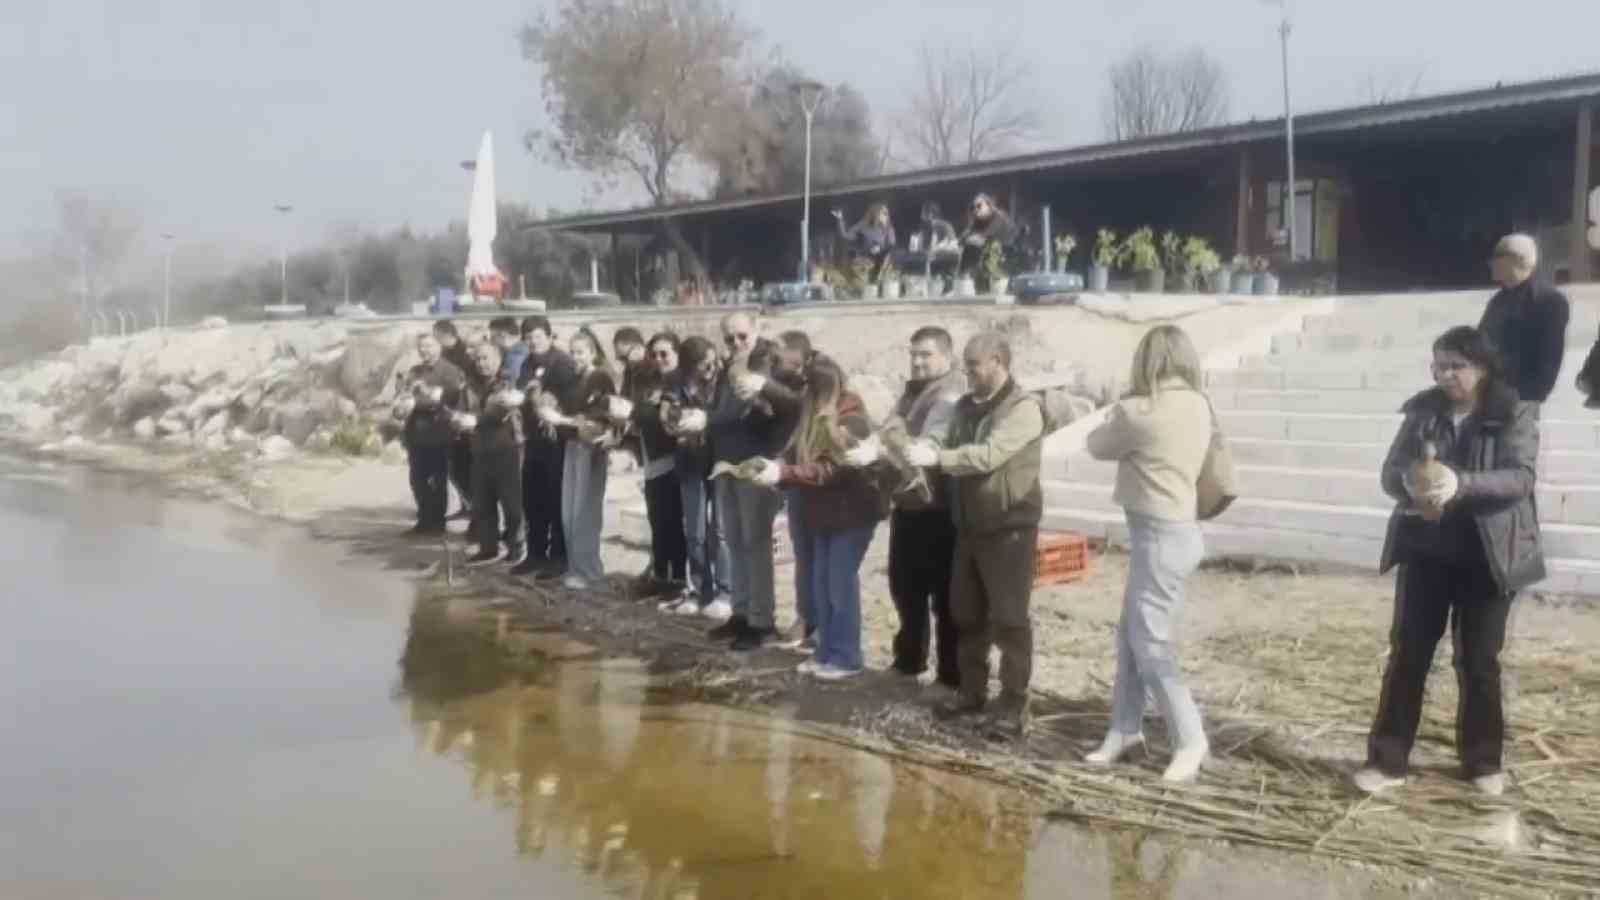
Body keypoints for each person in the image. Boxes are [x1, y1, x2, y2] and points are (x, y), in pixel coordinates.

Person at [1355, 326, 1545, 797]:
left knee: (1478, 660)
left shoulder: (1513, 410)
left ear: (1482, 367)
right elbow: (1390, 471)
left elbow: (1520, 478)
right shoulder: (1424, 411)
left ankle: (1483, 762)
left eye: (1456, 365)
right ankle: (1388, 759)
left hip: (1488, 557)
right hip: (1427, 553)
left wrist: (1460, 484)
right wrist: (1413, 481)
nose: (1446, 375)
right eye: (1439, 365)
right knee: (1408, 655)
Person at [1081, 325, 1214, 783]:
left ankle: (1190, 738)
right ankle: (1124, 728)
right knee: (1132, 636)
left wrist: (1119, 405)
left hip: (1158, 538)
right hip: (1178, 534)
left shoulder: (1139, 411)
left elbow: (1095, 445)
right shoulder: (1199, 403)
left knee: (1151, 644)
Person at [906, 333, 1044, 739]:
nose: (966, 374)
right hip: (969, 526)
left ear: (999, 361)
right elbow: (944, 435)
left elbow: (988, 455)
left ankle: (1014, 702)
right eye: (965, 366)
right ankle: (972, 691)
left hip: (1009, 529)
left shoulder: (1024, 409)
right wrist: (926, 445)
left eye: (974, 366)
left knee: (1010, 619)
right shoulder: (966, 406)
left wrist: (940, 458)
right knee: (966, 613)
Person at [755, 354, 885, 680]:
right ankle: (826, 650)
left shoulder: (850, 417)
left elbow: (832, 469)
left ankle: (847, 657)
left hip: (852, 513)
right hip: (823, 513)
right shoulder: (810, 413)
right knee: (821, 581)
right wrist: (774, 466)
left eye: (812, 391)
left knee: (840, 583)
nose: (807, 399)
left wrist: (784, 472)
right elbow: (795, 448)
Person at [695, 313, 792, 651]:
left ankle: (761, 621)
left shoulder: (769, 360)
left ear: (757, 330)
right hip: (727, 462)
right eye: (729, 338)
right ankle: (741, 611)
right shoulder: (729, 365)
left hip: (755, 463)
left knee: (756, 543)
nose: (736, 343)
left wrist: (705, 418)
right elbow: (724, 408)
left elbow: (781, 405)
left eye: (741, 336)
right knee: (734, 541)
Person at [885, 326, 965, 686]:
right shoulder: (910, 393)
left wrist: (907, 443)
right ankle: (909, 660)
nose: (917, 361)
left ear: (947, 358)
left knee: (944, 598)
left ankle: (950, 673)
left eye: (926, 354)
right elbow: (889, 429)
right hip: (908, 504)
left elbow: (932, 438)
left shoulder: (951, 394)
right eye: (914, 354)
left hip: (940, 509)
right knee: (905, 587)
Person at [538, 327, 619, 591]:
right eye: (572, 353)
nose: (575, 358)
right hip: (572, 445)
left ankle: (589, 569)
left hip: (590, 447)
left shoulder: (600, 379)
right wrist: (550, 408)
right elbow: (563, 405)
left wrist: (562, 420)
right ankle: (576, 566)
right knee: (569, 510)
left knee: (585, 509)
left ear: (592, 353)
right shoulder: (573, 379)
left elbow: (598, 417)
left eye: (580, 352)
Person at [661, 336, 733, 619]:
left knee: (721, 530)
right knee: (695, 531)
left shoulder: (725, 379)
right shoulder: (675, 383)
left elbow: (729, 414)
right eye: (705, 365)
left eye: (714, 362)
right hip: (690, 461)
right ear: (690, 366)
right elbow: (667, 418)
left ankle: (726, 592)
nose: (712, 368)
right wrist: (679, 420)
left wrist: (705, 418)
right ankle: (699, 589)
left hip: (720, 459)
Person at [621, 331, 688, 592]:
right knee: (658, 521)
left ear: (677, 354)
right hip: (652, 460)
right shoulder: (652, 381)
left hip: (672, 460)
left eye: (665, 354)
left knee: (670, 522)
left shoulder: (680, 382)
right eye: (654, 354)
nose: (659, 359)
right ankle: (661, 575)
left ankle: (676, 578)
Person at [514, 316, 577, 578]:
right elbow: (520, 392)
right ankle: (535, 554)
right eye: (528, 337)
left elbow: (570, 398)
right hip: (534, 440)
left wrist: (546, 398)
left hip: (556, 441)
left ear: (549, 336)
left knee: (555, 498)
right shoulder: (527, 363)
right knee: (532, 497)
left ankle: (558, 557)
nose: (532, 341)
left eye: (537, 336)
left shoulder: (562, 362)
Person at [1477, 233, 1570, 404]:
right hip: (1491, 394)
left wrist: (1530, 398)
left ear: (1518, 260)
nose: (1491, 263)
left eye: (1498, 257)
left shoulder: (1548, 300)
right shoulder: (1498, 300)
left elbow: (1550, 356)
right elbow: (1479, 343)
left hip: (1522, 398)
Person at [460, 341, 526, 567]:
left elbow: (497, 409)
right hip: (479, 450)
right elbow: (461, 412)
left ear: (498, 359)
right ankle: (488, 548)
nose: (481, 363)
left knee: (512, 503)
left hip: (506, 449)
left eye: (486, 358)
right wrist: (457, 421)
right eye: (478, 359)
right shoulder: (468, 386)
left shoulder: (507, 382)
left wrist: (475, 420)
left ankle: (516, 547)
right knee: (482, 502)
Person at [396, 332, 467, 536]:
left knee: (437, 480)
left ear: (439, 346)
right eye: (420, 346)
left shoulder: (450, 371)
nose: (423, 350)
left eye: (428, 345)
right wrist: (401, 406)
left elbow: (451, 399)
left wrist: (422, 398)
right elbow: (404, 395)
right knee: (417, 479)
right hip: (416, 433)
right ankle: (424, 519)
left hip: (438, 432)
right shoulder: (414, 371)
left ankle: (437, 523)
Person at [432, 320, 475, 519]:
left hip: (463, 416)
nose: (435, 340)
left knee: (461, 466)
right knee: (455, 467)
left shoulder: (464, 356)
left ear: (446, 334)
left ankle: (472, 507)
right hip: (450, 414)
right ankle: (467, 506)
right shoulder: (446, 354)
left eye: (436, 336)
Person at [958, 193, 1017, 290]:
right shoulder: (978, 221)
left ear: (989, 206)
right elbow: (963, 239)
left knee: (989, 247)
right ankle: (965, 278)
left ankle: (1000, 283)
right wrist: (965, 238)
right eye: (973, 207)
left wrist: (971, 239)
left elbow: (984, 236)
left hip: (1008, 248)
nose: (975, 209)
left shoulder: (998, 216)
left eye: (979, 206)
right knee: (968, 250)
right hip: (990, 248)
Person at [832, 203, 897, 282]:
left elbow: (892, 245)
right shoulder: (863, 224)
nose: (886, 216)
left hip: (882, 259)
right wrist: (840, 219)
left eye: (887, 214)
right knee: (855, 264)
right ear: (876, 213)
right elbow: (846, 235)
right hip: (866, 258)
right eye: (884, 213)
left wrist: (880, 248)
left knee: (885, 259)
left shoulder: (888, 228)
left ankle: (878, 278)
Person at [490, 317, 528, 386]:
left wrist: (497, 372)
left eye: (493, 336)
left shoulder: (517, 353)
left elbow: (514, 376)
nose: (491, 340)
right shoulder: (518, 349)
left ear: (502, 334)